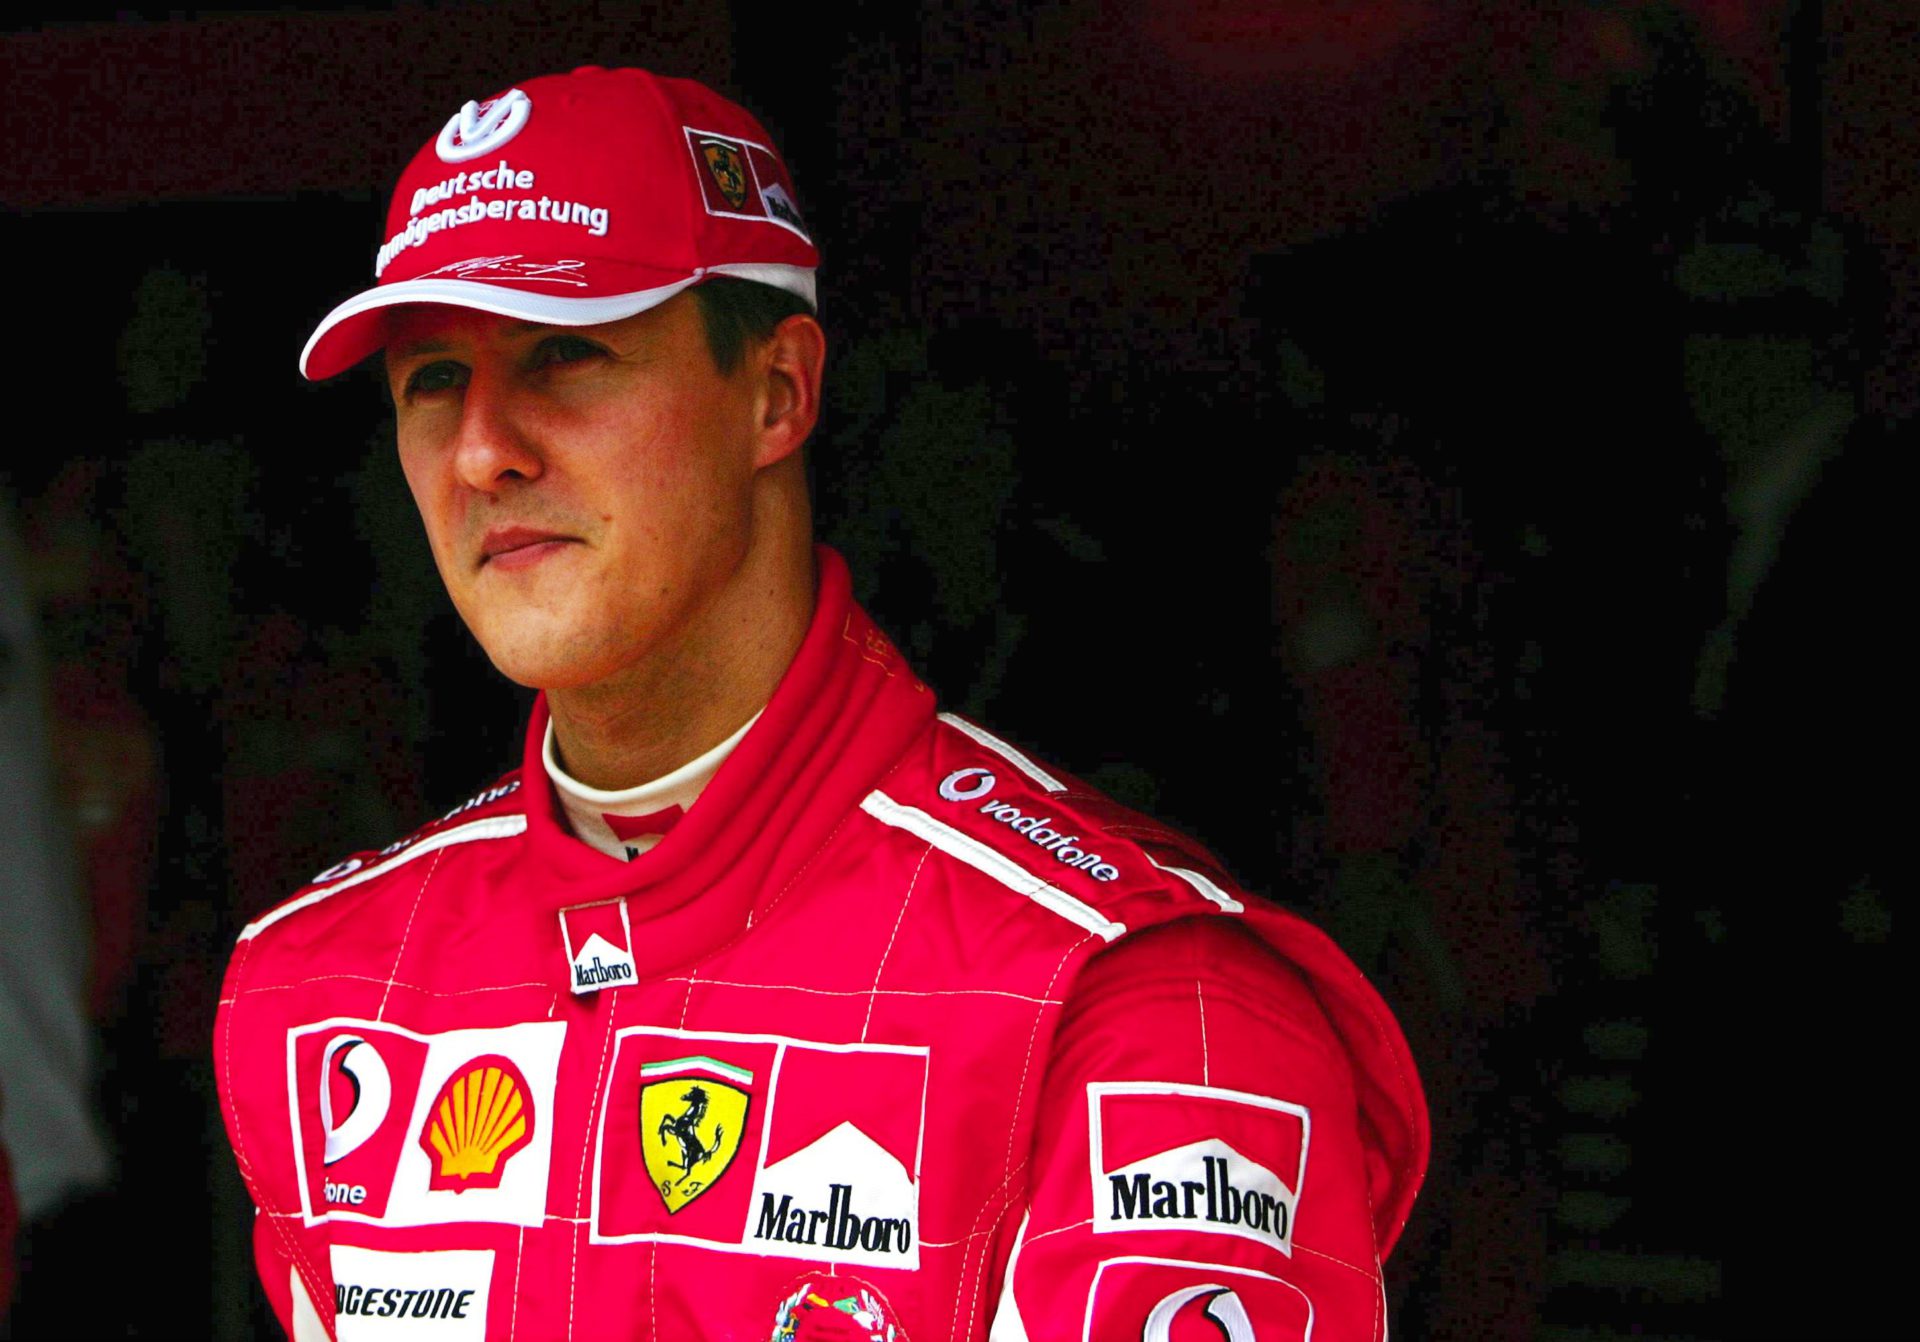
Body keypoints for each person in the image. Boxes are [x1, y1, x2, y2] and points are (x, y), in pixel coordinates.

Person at [214, 66, 1428, 1341]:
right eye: (430, 380)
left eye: (566, 354)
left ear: (779, 391)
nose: (482, 449)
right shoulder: (322, 991)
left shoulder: (1129, 1005)